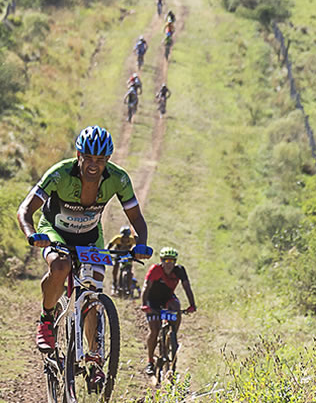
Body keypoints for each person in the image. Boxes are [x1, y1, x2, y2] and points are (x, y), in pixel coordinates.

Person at [17, 126, 154, 381]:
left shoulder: (118, 178)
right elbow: (25, 210)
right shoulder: (59, 173)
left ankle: (94, 358)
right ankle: (47, 319)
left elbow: (136, 217)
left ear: (108, 159)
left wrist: (142, 244)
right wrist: (31, 234)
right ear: (78, 155)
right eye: (88, 158)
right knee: (61, 266)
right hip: (54, 231)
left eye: (100, 160)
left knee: (93, 289)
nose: (93, 165)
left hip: (90, 236)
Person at [140, 247, 196, 376]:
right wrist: (144, 305)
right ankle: (150, 361)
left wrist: (192, 305)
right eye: (166, 260)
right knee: (154, 330)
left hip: (167, 298)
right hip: (152, 300)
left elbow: (187, 287)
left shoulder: (179, 270)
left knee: (176, 307)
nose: (169, 264)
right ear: (161, 260)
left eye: (172, 261)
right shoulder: (155, 269)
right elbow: (146, 287)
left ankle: (173, 334)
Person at [107, 226, 136, 293]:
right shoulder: (117, 239)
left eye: (127, 237)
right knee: (116, 266)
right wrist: (107, 253)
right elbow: (108, 246)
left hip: (127, 255)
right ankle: (114, 282)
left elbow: (138, 247)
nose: (125, 239)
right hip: (117, 254)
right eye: (124, 237)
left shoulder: (132, 240)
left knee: (129, 270)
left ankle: (129, 287)